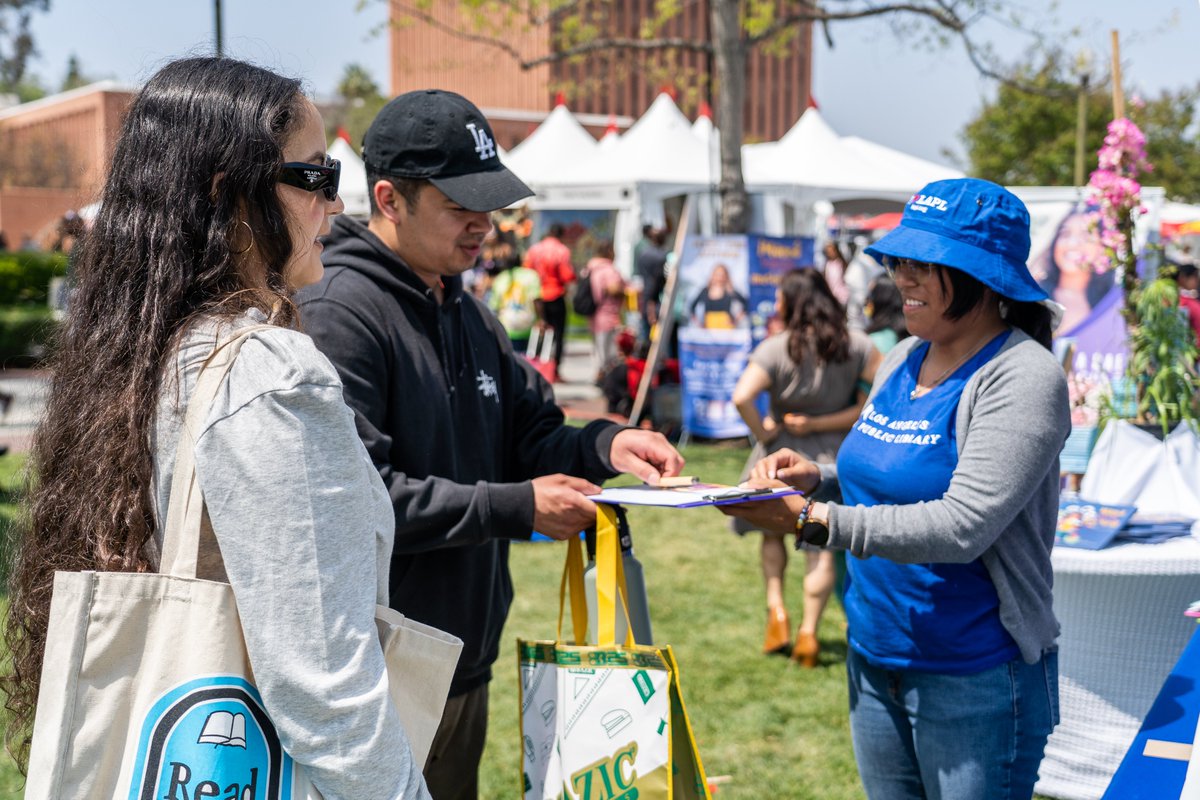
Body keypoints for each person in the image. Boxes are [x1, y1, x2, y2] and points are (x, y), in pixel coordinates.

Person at [2, 57, 429, 797]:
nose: (335, 205)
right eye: (316, 178)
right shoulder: (268, 374)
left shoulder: (152, 350)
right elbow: (325, 690)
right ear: (229, 197)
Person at [295, 88, 684, 800]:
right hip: (373, 670)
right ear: (389, 198)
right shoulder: (337, 314)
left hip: (461, 661)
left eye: (491, 202)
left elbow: (529, 434)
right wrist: (517, 508)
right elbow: (361, 503)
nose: (485, 224)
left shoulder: (464, 308)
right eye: (461, 205)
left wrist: (607, 445)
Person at [723, 178, 1070, 800]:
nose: (899, 277)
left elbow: (962, 525)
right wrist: (819, 478)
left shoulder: (1022, 376)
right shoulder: (903, 357)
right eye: (898, 260)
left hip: (974, 674)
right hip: (875, 651)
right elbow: (887, 476)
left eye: (923, 265)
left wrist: (813, 520)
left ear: (983, 275)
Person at [730, 268, 880, 666]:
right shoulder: (857, 345)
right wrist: (819, 424)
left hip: (778, 457)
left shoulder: (775, 348)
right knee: (820, 547)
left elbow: (742, 396)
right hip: (831, 457)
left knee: (771, 536)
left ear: (792, 301)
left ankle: (776, 610)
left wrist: (763, 430)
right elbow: (872, 406)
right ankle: (809, 633)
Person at [523, 222, 575, 376]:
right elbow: (567, 275)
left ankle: (534, 365)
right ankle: (555, 371)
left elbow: (527, 270)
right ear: (561, 235)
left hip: (537, 296)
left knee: (538, 331)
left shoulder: (534, 249)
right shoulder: (562, 250)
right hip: (556, 295)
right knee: (558, 334)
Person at [488, 246, 543, 353]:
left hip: (507, 326)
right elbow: (537, 300)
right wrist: (541, 319)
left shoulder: (500, 278)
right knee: (529, 359)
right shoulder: (531, 275)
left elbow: (494, 306)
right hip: (528, 325)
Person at [585, 239, 626, 378]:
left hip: (594, 314)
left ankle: (601, 376)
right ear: (609, 252)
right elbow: (613, 289)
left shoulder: (590, 268)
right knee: (609, 353)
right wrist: (625, 291)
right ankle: (606, 380)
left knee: (599, 349)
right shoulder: (608, 270)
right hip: (608, 315)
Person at [689, 262, 749, 329]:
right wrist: (699, 324)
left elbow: (747, 304)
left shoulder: (729, 291)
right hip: (709, 329)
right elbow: (692, 307)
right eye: (717, 274)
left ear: (726, 276)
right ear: (713, 275)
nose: (719, 278)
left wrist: (736, 320)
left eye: (722, 275)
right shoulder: (705, 291)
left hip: (726, 329)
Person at [863, 274, 909, 354]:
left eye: (871, 294)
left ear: (880, 299)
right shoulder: (909, 333)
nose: (866, 300)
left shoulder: (876, 342)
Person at [636, 227, 668, 342]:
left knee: (646, 333)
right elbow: (657, 280)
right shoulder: (662, 256)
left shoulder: (643, 254)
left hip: (647, 294)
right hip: (657, 298)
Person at [1174, 261, 1200, 349]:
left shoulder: (1188, 300)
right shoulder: (1183, 302)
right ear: (1183, 277)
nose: (1197, 280)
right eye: (1195, 276)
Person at [821, 241, 851, 307]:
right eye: (828, 252)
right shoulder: (827, 265)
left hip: (842, 297)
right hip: (831, 297)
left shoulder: (842, 264)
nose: (831, 253)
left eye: (832, 250)